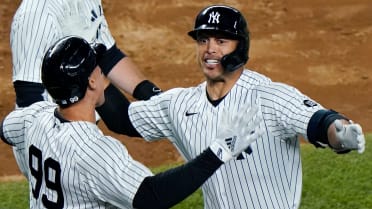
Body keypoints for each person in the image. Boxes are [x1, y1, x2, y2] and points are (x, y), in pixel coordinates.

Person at [100, 5, 366, 209]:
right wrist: (90, 68)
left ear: (241, 47)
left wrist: (339, 132)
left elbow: (319, 121)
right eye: (203, 40)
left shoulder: (269, 97)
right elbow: (122, 119)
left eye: (221, 41)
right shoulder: (180, 104)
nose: (210, 49)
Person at [0, 36, 264, 209]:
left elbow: (5, 129)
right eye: (97, 67)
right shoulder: (92, 151)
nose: (102, 70)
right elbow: (151, 196)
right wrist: (219, 151)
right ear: (92, 82)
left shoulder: (35, 118)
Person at [10, 0, 160, 176]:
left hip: (81, 124)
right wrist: (67, 144)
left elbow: (108, 56)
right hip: (50, 139)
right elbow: (30, 96)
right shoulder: (36, 14)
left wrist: (153, 96)